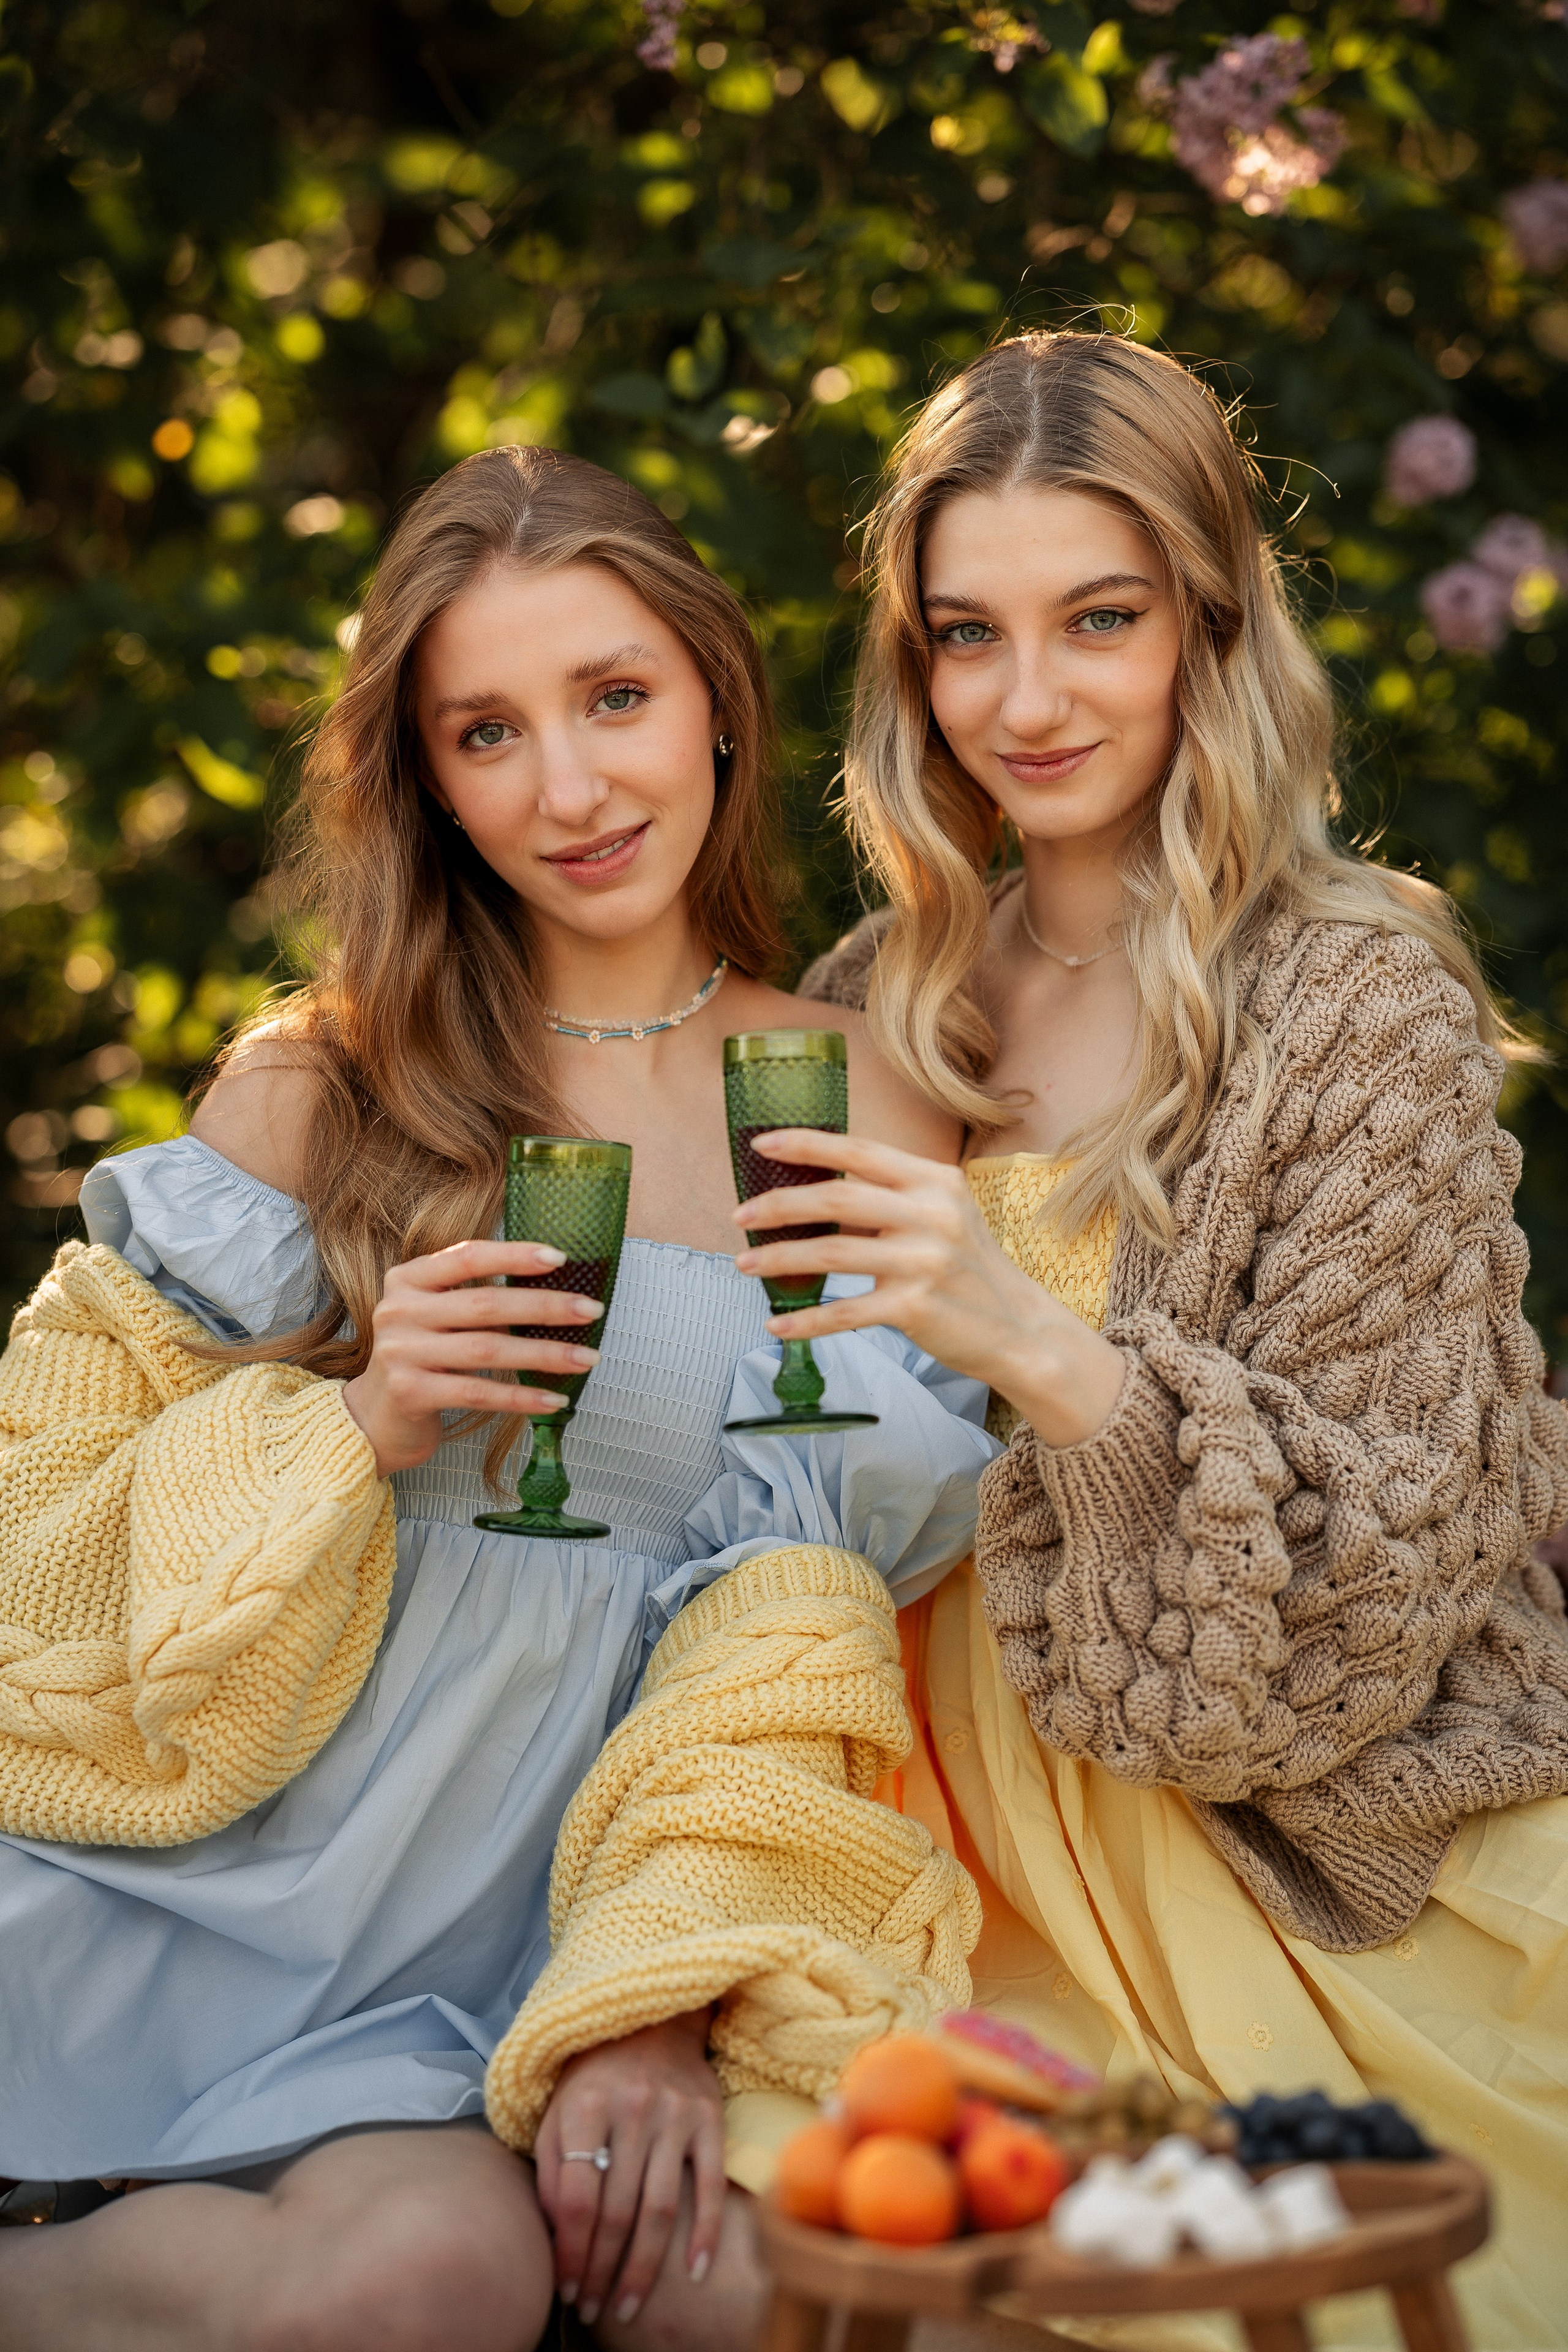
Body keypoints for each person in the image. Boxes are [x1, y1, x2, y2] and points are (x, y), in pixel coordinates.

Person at [0, 446, 998, 2352]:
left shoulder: (859, 1097)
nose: (570, 787)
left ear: (714, 692)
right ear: (427, 780)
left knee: (447, 2272)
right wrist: (355, 1424)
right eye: (487, 731)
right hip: (229, 1877)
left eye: (616, 696)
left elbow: (801, 1604)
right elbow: (36, 1527)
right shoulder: (317, 1086)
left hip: (555, 1914)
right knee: (428, 2283)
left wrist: (656, 1982)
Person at [738, 330, 1568, 2349]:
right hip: (923, 1812)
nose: (1028, 702)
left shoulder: (1358, 1005)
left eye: (1097, 621)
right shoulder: (880, 996)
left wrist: (1042, 1341)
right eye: (967, 635)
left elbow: (1379, 1579)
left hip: (1278, 1845)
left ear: (1210, 625)